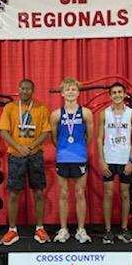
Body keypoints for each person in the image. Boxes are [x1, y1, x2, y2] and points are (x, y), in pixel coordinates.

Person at [0, 79, 51, 246]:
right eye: (22, 88)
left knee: (39, 192)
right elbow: (4, 131)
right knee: (13, 193)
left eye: (28, 89)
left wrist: (32, 146)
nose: (25, 91)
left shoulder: (41, 108)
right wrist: (19, 147)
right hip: (16, 155)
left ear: (33, 91)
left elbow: (46, 132)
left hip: (35, 154)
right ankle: (12, 230)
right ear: (18, 89)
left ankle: (40, 228)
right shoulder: (10, 108)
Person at [50, 77, 93, 243]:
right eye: (67, 89)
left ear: (78, 92)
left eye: (73, 89)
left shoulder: (86, 113)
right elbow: (54, 138)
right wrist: (64, 149)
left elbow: (89, 136)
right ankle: (63, 229)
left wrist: (79, 148)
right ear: (62, 93)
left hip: (80, 156)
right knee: (63, 194)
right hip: (62, 157)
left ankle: (81, 230)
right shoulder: (55, 115)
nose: (70, 92)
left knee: (80, 193)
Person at [97, 82, 132, 244]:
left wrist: (131, 161)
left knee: (125, 195)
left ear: (124, 94)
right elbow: (99, 138)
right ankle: (108, 231)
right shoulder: (104, 114)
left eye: (120, 92)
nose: (117, 95)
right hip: (109, 159)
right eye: (114, 92)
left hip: (124, 159)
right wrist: (101, 160)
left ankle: (124, 229)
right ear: (110, 95)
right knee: (107, 194)